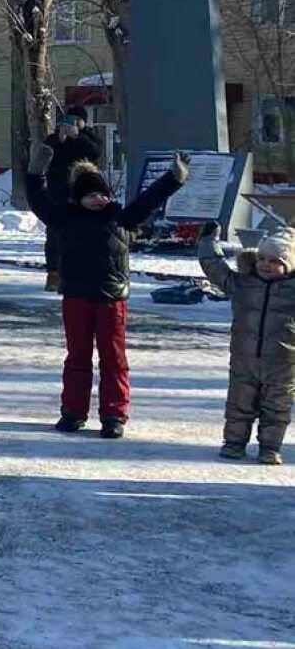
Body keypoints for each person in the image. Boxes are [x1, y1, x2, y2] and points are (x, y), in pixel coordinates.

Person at [27, 145, 188, 439]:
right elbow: (38, 201)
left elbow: (149, 201)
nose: (98, 199)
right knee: (78, 356)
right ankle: (73, 411)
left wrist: (174, 179)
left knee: (113, 358)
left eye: (102, 194)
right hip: (76, 297)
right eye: (91, 195)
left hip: (111, 299)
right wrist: (35, 173)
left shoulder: (121, 218)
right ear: (79, 198)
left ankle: (114, 414)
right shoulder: (65, 218)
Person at [198, 223, 295, 465]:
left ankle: (270, 447)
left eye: (275, 261)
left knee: (277, 408)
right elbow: (215, 269)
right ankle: (234, 443)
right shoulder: (243, 283)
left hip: (283, 363)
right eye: (262, 258)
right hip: (244, 359)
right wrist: (208, 242)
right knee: (239, 404)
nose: (265, 265)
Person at [42, 107, 103, 293]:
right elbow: (45, 154)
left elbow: (94, 153)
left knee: (84, 233)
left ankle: (82, 273)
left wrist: (78, 136)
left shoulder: (90, 137)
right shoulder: (55, 137)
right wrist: (60, 139)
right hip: (57, 192)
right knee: (55, 234)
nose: (73, 123)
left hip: (82, 192)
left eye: (78, 119)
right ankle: (53, 274)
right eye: (70, 119)